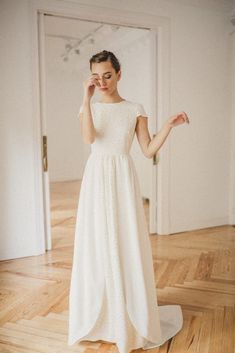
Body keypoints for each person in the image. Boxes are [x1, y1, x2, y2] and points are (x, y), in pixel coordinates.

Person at [67, 50, 190, 353]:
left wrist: (167, 126)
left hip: (122, 178)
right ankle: (101, 318)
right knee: (97, 243)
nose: (103, 81)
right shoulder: (90, 107)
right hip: (96, 179)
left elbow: (147, 151)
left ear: (119, 74)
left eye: (108, 75)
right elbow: (88, 139)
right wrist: (86, 98)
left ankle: (129, 317)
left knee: (126, 241)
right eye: (97, 76)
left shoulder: (135, 108)